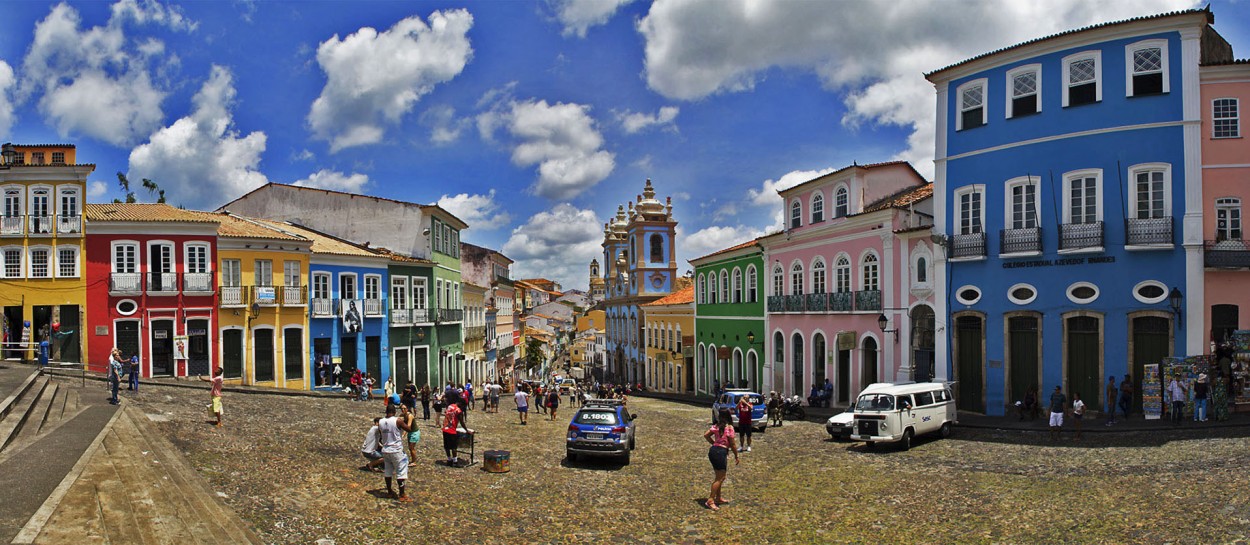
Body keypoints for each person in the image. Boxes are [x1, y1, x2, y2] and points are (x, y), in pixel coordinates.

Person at [703, 408, 739, 511]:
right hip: (721, 452)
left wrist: (714, 443)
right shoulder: (729, 427)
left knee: (718, 476)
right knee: (720, 478)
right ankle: (710, 500)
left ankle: (718, 498)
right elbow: (732, 443)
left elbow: (706, 435)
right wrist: (736, 455)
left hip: (713, 451)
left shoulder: (716, 426)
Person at [378, 404, 413, 502]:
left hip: (386, 449)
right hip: (396, 449)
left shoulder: (380, 422)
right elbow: (409, 429)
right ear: (394, 412)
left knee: (388, 471)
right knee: (400, 471)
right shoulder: (397, 420)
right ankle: (401, 494)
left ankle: (389, 491)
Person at [438, 390, 464, 466]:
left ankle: (449, 459)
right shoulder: (458, 410)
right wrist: (466, 430)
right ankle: (455, 461)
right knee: (453, 447)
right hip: (451, 430)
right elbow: (462, 422)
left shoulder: (450, 406)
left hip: (445, 428)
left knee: (446, 446)